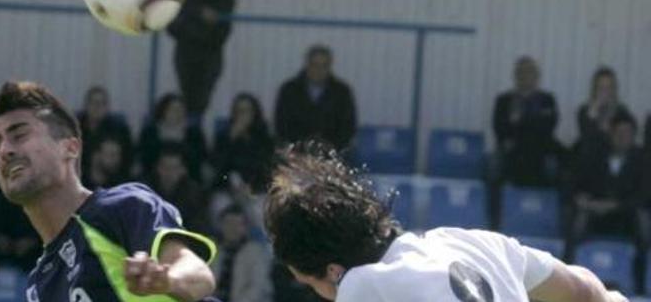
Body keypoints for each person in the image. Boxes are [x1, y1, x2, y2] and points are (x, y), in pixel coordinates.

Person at [263, 143, 627, 302]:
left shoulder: (363, 286)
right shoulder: (480, 242)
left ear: (332, 271)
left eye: (310, 284)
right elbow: (584, 293)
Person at [0, 81, 217, 302]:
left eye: (19, 135)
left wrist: (165, 279)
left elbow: (199, 276)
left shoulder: (121, 206)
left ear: (70, 148)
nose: (4, 150)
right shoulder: (40, 284)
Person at [167, 0, 236, 121]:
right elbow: (170, 2)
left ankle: (194, 132)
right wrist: (198, 12)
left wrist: (212, 21)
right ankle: (188, 130)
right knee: (186, 92)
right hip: (185, 43)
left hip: (211, 46)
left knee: (203, 95)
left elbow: (227, 5)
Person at [568, 114, 649, 250]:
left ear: (634, 136)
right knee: (579, 217)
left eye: (627, 133)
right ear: (610, 134)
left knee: (642, 218)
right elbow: (578, 183)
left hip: (626, 215)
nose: (622, 137)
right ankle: (570, 262)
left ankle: (641, 268)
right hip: (595, 211)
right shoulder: (596, 156)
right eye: (618, 132)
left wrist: (615, 205)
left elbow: (643, 195)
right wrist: (583, 199)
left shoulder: (643, 161)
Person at [492, 56, 563, 186]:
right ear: (515, 76)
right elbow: (499, 129)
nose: (525, 76)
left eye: (529, 71)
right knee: (497, 161)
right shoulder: (503, 100)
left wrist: (519, 122)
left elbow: (549, 126)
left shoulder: (547, 100)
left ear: (537, 76)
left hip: (540, 147)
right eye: (521, 72)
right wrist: (531, 122)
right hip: (513, 147)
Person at [274, 45, 358, 150]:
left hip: (331, 153)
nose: (318, 70)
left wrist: (331, 146)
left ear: (330, 66)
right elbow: (281, 123)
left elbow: (348, 125)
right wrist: (301, 144)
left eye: (324, 66)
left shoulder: (342, 92)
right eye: (314, 65)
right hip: (296, 152)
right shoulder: (289, 90)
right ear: (307, 64)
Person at [139, 93, 207, 182]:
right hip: (155, 176)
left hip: (187, 177)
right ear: (163, 111)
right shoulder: (150, 132)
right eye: (173, 109)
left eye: (181, 110)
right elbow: (145, 158)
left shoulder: (194, 133)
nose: (178, 113)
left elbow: (200, 158)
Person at [213, 93, 274, 190]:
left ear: (254, 113)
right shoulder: (224, 137)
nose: (242, 115)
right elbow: (217, 168)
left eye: (246, 111)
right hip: (229, 187)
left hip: (257, 187)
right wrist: (230, 139)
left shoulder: (264, 137)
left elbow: (265, 166)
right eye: (239, 111)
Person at [211, 205, 272, 302]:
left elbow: (256, 288)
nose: (232, 228)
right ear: (221, 225)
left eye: (237, 224)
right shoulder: (213, 249)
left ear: (245, 227)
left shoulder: (255, 251)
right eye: (229, 223)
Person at [150, 144, 210, 236]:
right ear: (158, 168)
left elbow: (198, 226)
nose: (169, 173)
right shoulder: (147, 191)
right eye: (165, 167)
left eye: (174, 168)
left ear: (183, 170)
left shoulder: (194, 193)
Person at [575, 67, 633, 157]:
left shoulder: (622, 111)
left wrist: (611, 112)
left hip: (613, 158)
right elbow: (586, 137)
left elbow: (622, 141)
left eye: (609, 87)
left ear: (614, 89)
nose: (605, 92)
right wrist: (594, 110)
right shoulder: (584, 110)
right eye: (601, 88)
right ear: (594, 90)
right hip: (591, 158)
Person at [77, 86, 133, 176]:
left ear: (107, 107)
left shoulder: (119, 129)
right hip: (82, 175)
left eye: (102, 103)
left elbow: (127, 159)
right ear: (86, 105)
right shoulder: (75, 127)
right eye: (93, 102)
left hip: (112, 176)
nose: (97, 107)